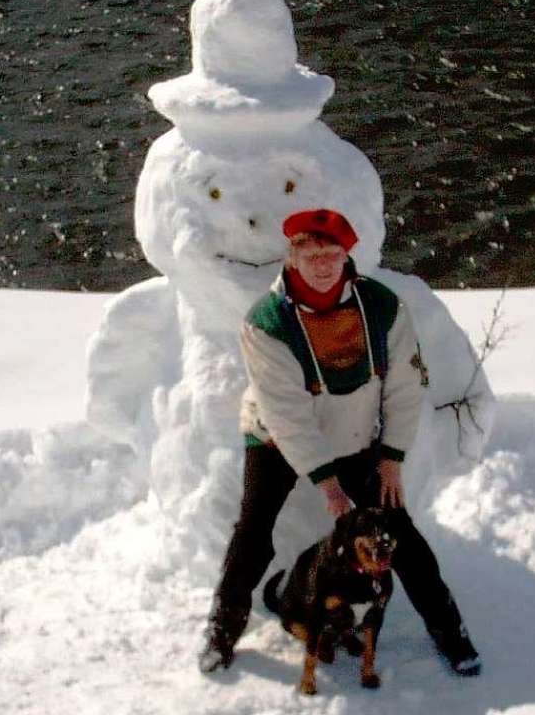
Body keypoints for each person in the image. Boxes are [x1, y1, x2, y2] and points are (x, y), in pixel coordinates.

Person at [199, 208, 481, 677]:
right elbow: (286, 415)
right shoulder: (265, 322)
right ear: (292, 258)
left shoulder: (382, 307)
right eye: (312, 256)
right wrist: (329, 485)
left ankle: (450, 632)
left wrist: (391, 458)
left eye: (332, 254)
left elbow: (405, 389)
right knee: (253, 532)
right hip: (276, 439)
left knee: (401, 535)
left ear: (347, 255)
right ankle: (222, 628)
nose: (324, 265)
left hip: (352, 434)